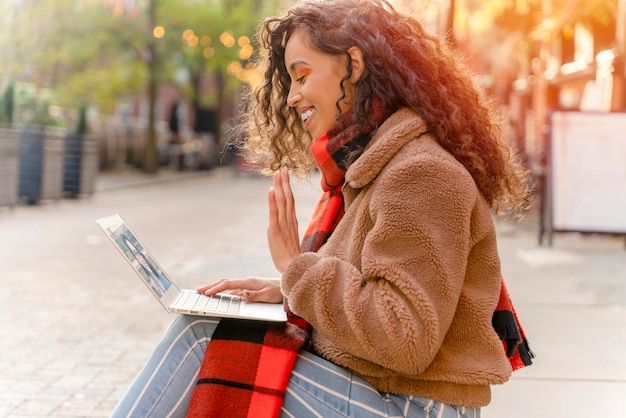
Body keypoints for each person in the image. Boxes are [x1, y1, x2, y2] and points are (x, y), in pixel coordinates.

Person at [111, 0, 533, 416]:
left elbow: (405, 338)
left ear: (354, 64)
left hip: (414, 404)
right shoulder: (377, 166)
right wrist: (286, 288)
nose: (292, 97)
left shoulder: (421, 173)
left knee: (202, 339)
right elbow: (367, 282)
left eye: (302, 75)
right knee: (215, 333)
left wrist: (297, 268)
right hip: (385, 390)